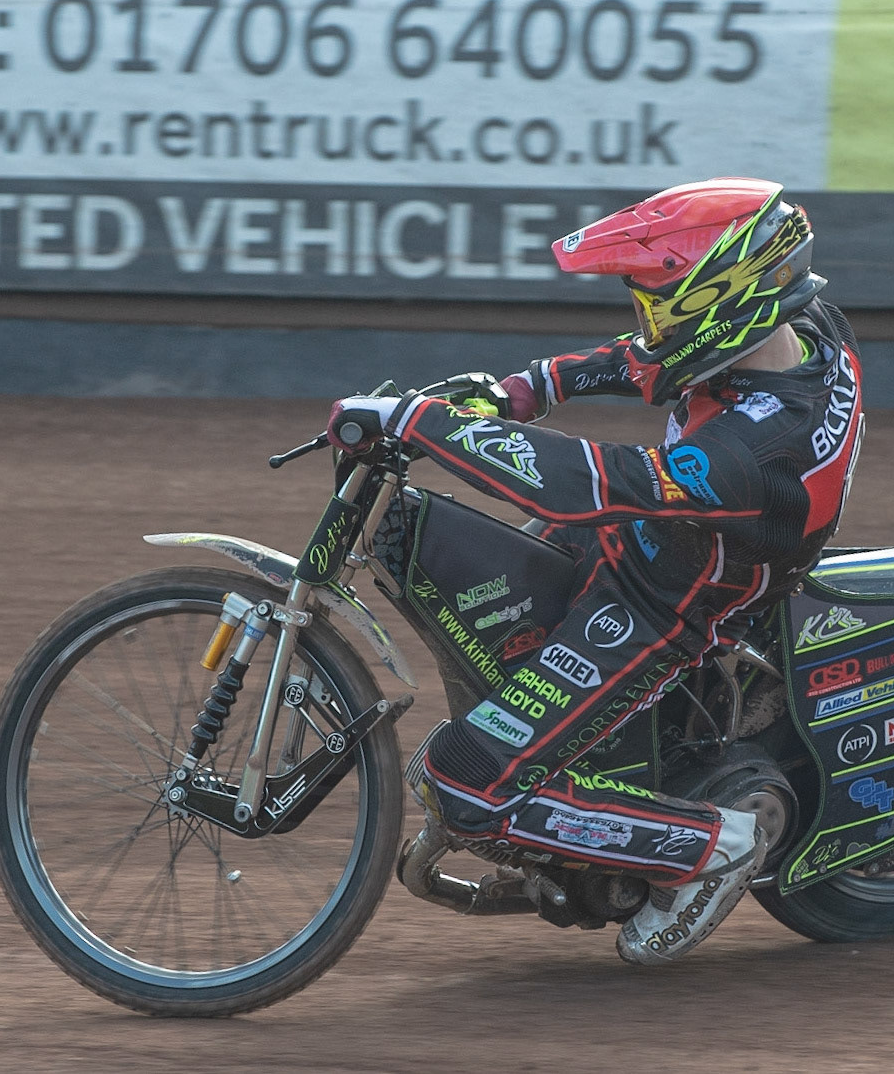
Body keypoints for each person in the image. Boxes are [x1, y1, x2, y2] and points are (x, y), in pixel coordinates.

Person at [326, 177, 865, 964]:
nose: (647, 323)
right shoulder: (804, 328)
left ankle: (711, 848)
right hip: (645, 542)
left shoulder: (758, 447)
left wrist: (424, 422)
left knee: (462, 783)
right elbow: (647, 365)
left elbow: (595, 483)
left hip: (667, 606)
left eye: (662, 303)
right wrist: (522, 389)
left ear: (730, 298)